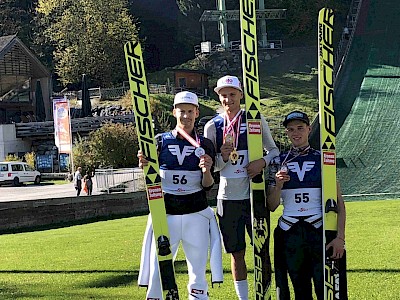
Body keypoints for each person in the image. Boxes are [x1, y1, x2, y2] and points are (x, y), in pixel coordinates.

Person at [138, 91, 223, 300]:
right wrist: (145, 166)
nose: (186, 116)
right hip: (166, 215)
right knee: (159, 266)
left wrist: (206, 171)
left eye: (190, 111)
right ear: (174, 112)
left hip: (196, 213)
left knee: (198, 270)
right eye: (181, 111)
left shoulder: (206, 144)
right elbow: (151, 179)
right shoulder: (159, 141)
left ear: (196, 112)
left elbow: (208, 186)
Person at [203, 75, 279, 300]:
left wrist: (262, 163)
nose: (228, 99)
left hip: (255, 196)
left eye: (232, 94)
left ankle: (265, 295)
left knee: (262, 250)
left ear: (241, 95)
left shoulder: (254, 119)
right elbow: (210, 167)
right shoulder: (212, 126)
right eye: (224, 95)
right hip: (227, 199)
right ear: (219, 96)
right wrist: (223, 158)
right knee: (237, 254)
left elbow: (274, 151)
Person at [266, 111, 347, 300]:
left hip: (318, 230)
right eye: (291, 129)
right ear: (286, 133)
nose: (296, 133)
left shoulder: (323, 159)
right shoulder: (278, 161)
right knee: (299, 289)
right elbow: (271, 205)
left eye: (300, 128)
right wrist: (277, 185)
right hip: (290, 231)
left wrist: (340, 238)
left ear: (309, 129)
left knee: (325, 288)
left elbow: (340, 204)